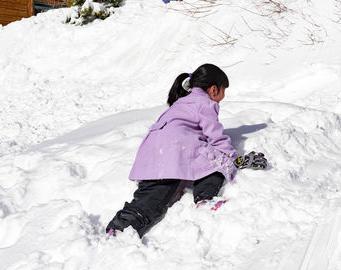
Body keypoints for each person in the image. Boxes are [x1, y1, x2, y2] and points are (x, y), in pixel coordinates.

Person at [106, 64, 267, 238]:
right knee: (217, 163)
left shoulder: (180, 103)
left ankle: (120, 226)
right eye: (223, 91)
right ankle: (205, 199)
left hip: (151, 151)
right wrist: (233, 159)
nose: (223, 96)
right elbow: (215, 136)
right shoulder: (205, 102)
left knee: (152, 194)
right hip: (176, 148)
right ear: (213, 90)